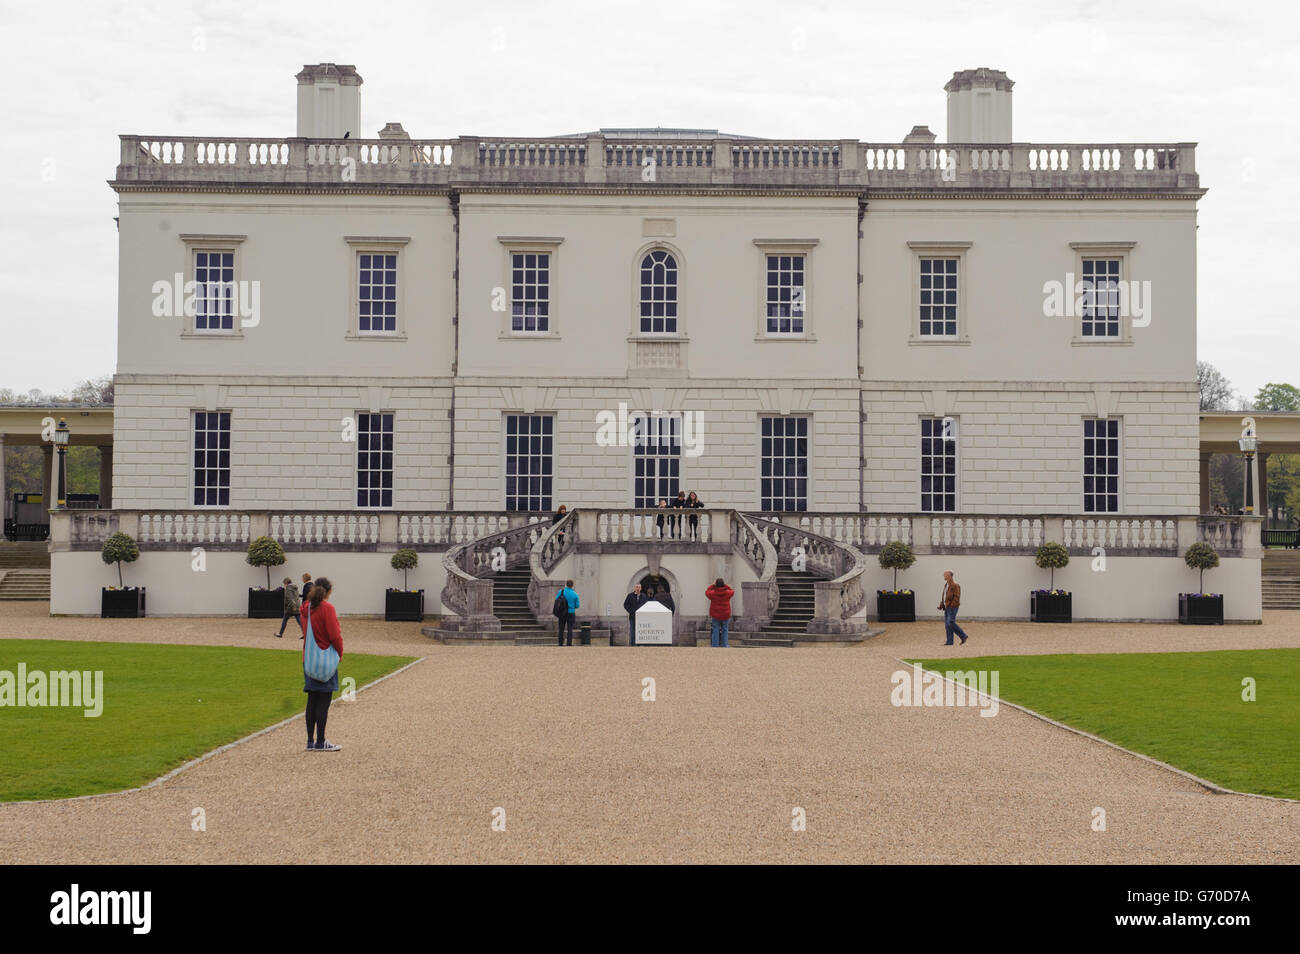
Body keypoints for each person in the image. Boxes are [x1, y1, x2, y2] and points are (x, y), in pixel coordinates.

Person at [300, 577, 343, 751]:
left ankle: (310, 741)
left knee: (312, 700)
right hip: (325, 658)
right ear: (329, 591)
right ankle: (321, 741)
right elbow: (334, 635)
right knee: (323, 702)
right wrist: (340, 652)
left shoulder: (306, 608)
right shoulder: (327, 608)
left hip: (309, 658)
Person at [938, 570, 968, 646]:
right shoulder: (946, 585)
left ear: (950, 576)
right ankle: (949, 641)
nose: (944, 576)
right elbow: (944, 596)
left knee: (950, 622)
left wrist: (951, 605)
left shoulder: (955, 586)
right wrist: (942, 604)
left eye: (945, 575)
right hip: (947, 607)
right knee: (947, 624)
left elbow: (957, 597)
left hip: (952, 607)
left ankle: (963, 635)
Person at [705, 577, 734, 648]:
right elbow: (732, 591)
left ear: (716, 585)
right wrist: (725, 586)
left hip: (715, 614)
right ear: (723, 584)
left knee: (715, 629)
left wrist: (712, 585)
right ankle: (725, 645)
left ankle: (715, 645)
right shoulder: (727, 593)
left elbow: (707, 591)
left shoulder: (713, 593)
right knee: (725, 629)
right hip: (725, 614)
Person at [554, 579, 579, 646]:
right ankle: (569, 643)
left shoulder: (561, 592)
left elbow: (556, 600)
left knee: (561, 628)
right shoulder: (575, 594)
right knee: (570, 629)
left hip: (562, 613)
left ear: (566, 584)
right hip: (571, 612)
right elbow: (577, 605)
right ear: (572, 585)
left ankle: (560, 643)